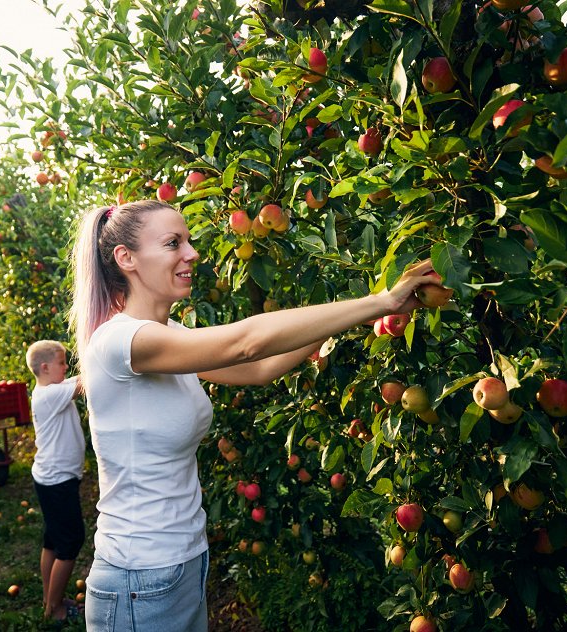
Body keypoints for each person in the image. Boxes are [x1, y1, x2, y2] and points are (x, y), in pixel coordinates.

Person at [68, 200, 440, 631]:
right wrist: (379, 301)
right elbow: (247, 343)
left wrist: (355, 318)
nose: (191, 253)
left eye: (188, 240)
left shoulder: (170, 336)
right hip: (139, 576)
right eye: (173, 243)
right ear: (125, 258)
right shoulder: (120, 341)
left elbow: (259, 369)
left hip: (180, 563)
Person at [26, 340, 86, 621]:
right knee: (71, 543)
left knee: (52, 540)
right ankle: (55, 610)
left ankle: (50, 599)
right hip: (58, 481)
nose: (66, 367)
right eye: (62, 363)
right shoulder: (50, 395)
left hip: (50, 478)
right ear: (45, 367)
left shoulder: (47, 391)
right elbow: (83, 382)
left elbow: (75, 379)